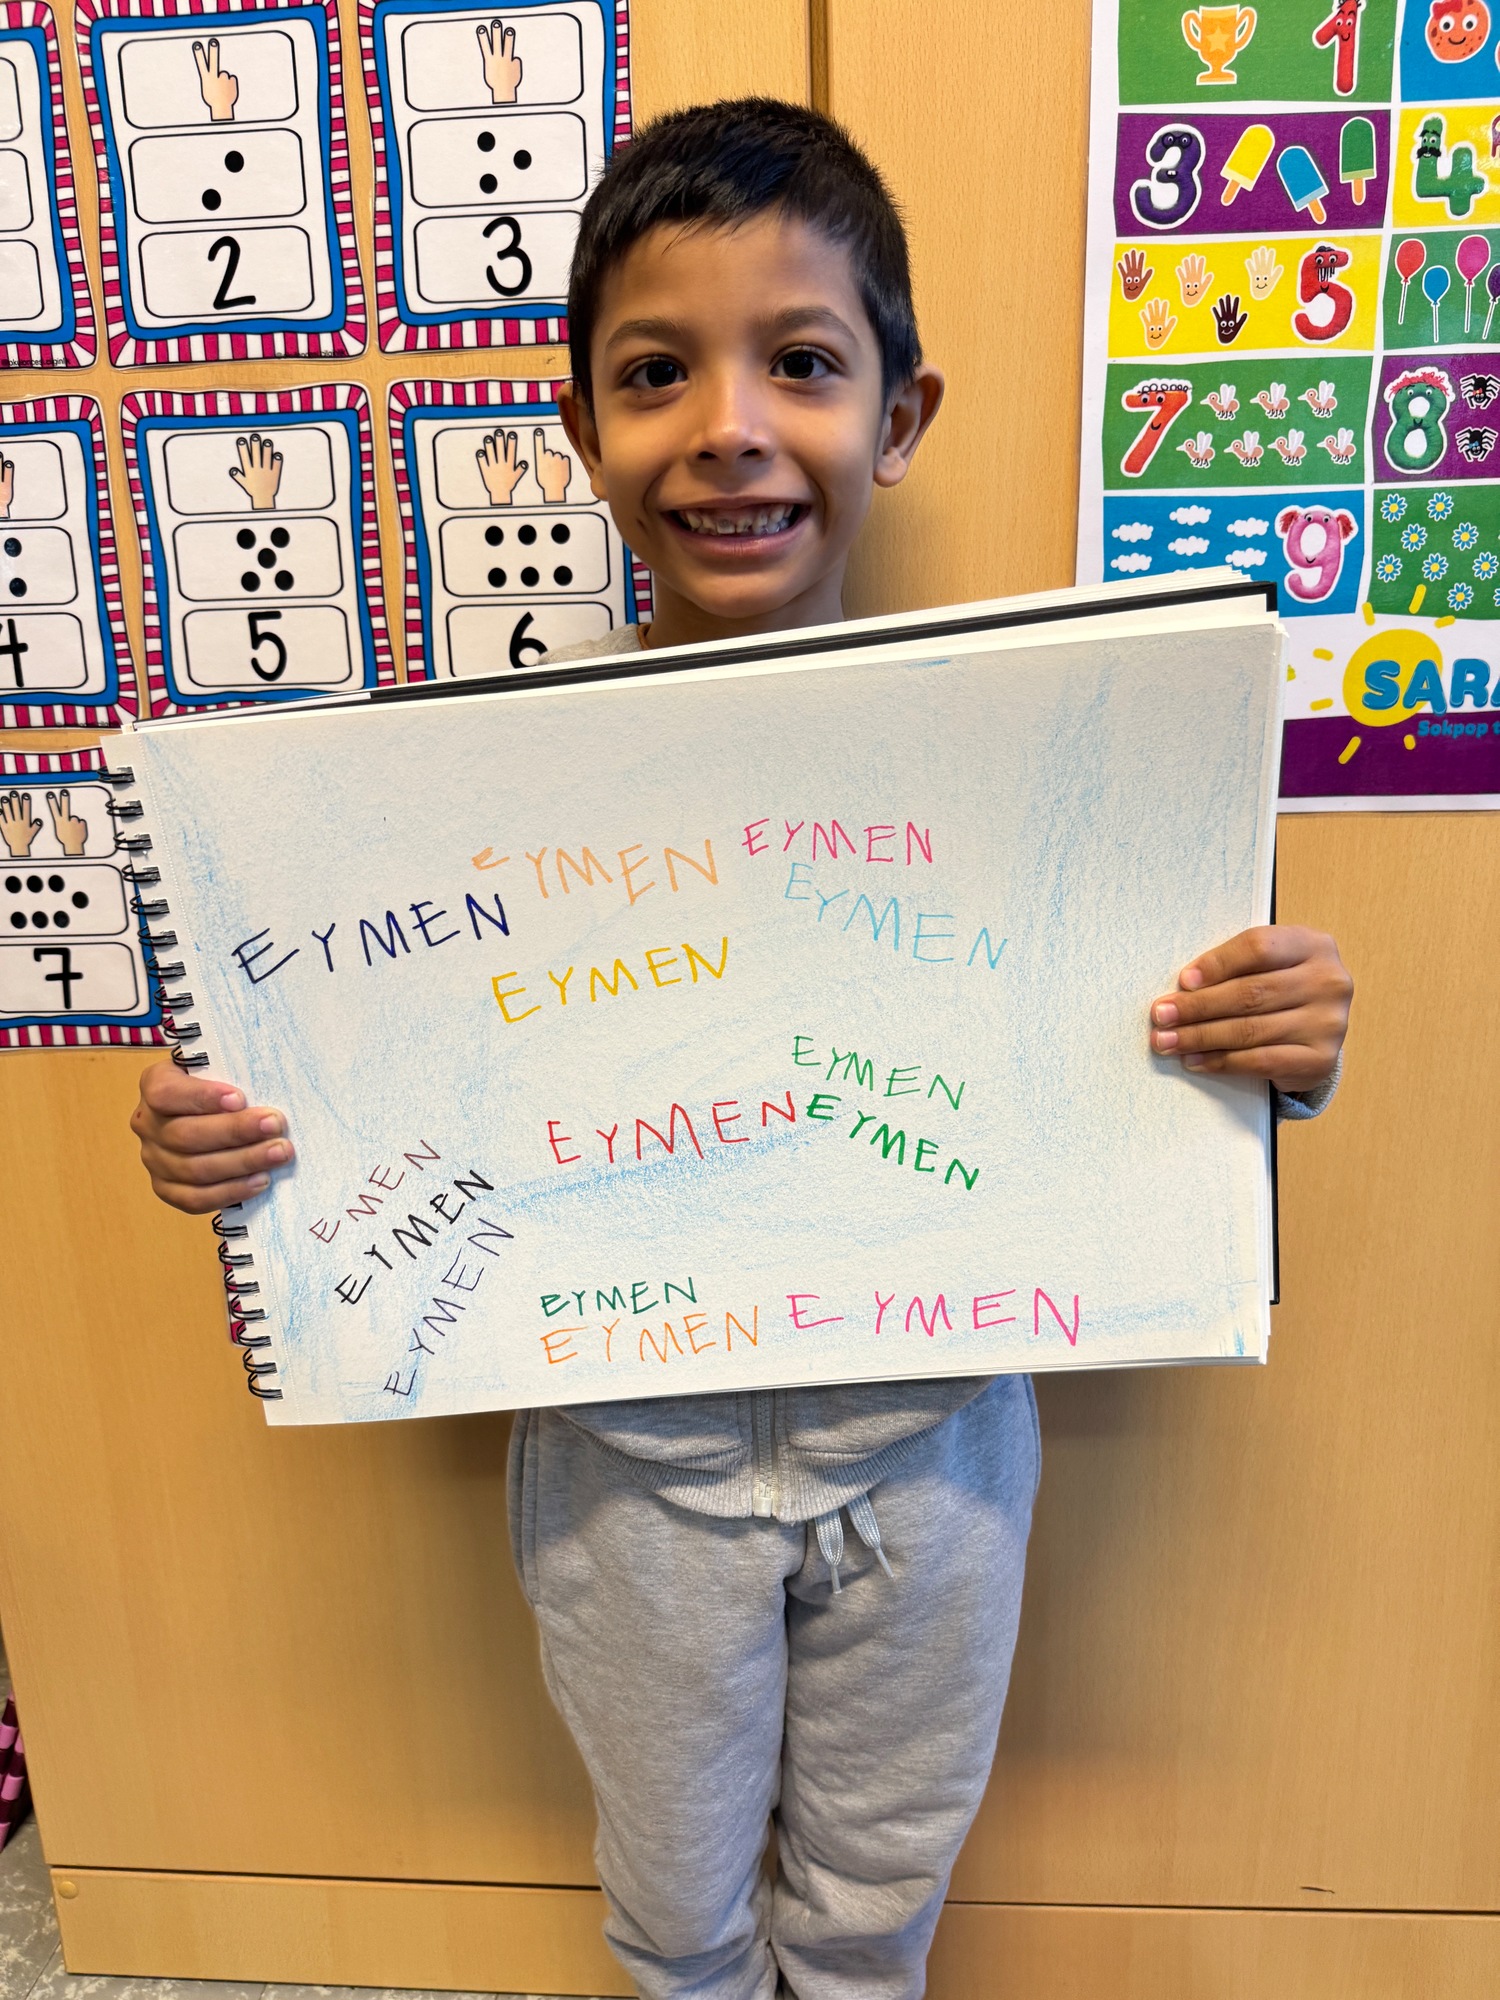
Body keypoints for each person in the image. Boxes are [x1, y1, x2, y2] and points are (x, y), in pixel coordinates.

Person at [130, 100, 1353, 2000]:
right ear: (581, 434)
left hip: (935, 1450)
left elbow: (1149, 1037)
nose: (728, 426)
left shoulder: (1035, 757)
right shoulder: (457, 812)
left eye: (801, 362)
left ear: (900, 415)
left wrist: (1277, 1039)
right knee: (677, 1901)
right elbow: (348, 1072)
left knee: (876, 1900)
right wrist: (223, 1136)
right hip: (626, 1475)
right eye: (655, 373)